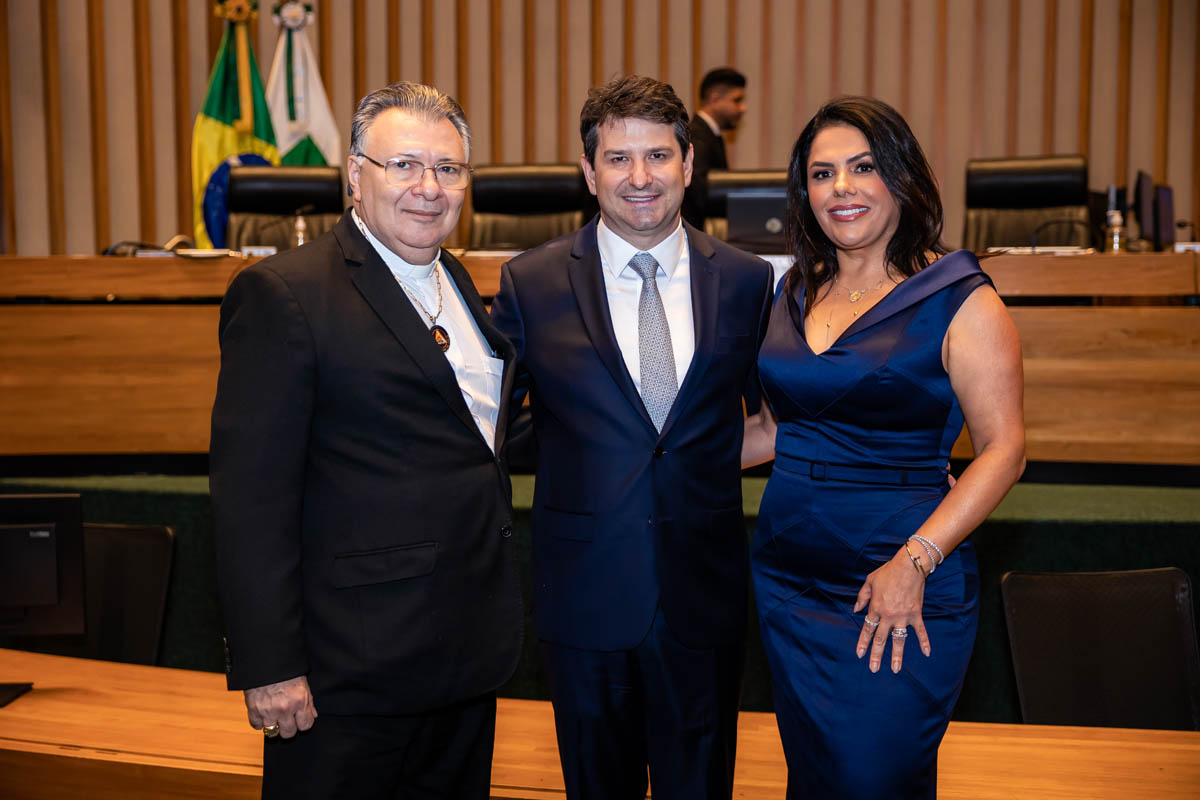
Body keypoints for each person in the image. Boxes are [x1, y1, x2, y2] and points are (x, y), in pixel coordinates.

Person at [210, 81, 522, 799]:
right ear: (355, 175)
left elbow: (474, 437)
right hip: (346, 678)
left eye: (448, 169)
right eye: (403, 165)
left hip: (464, 661)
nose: (428, 188)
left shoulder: (458, 282)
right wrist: (269, 664)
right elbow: (251, 501)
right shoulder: (284, 294)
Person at [490, 75, 773, 800]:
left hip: (703, 598)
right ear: (589, 172)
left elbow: (772, 417)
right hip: (584, 598)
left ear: (688, 162)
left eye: (657, 155)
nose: (639, 177)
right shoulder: (531, 282)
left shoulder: (747, 281)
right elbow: (491, 428)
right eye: (618, 159)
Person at [741, 96, 1025, 798]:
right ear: (802, 193)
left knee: (872, 778)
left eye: (862, 167)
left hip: (900, 583)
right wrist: (645, 451)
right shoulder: (792, 292)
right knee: (815, 778)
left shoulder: (961, 296)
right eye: (821, 173)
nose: (841, 188)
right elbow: (775, 431)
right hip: (788, 583)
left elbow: (1004, 449)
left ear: (900, 177)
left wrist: (914, 562)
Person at [682, 66, 747, 230]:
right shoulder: (697, 136)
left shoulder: (709, 134)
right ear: (715, 99)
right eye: (737, 100)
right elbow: (699, 193)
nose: (743, 108)